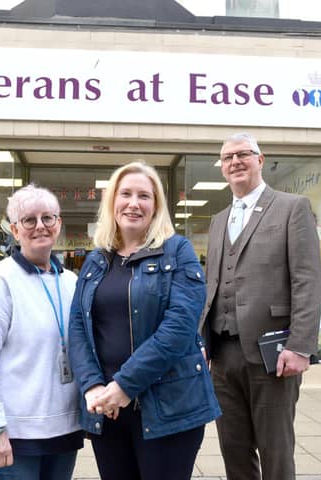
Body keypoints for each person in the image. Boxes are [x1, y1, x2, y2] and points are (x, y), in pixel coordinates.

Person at [68, 161, 220, 480]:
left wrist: (125, 385)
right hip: (107, 408)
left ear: (156, 206)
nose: (134, 203)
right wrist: (92, 386)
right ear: (113, 202)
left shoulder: (178, 251)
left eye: (144, 196)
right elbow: (79, 327)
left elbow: (179, 329)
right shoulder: (97, 259)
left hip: (167, 408)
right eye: (125, 194)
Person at [199, 133, 321, 480]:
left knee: (275, 450)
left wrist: (299, 346)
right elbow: (213, 285)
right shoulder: (219, 219)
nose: (235, 162)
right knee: (233, 449)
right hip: (223, 356)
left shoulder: (291, 207)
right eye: (227, 158)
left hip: (274, 354)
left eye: (243, 154)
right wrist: (203, 341)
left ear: (260, 159)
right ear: (222, 168)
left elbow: (308, 281)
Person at [0, 184, 83, 480]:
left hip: (62, 429)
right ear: (15, 230)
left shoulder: (71, 282)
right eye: (29, 220)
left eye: (48, 218)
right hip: (9, 432)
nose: (40, 226)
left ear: (58, 224)